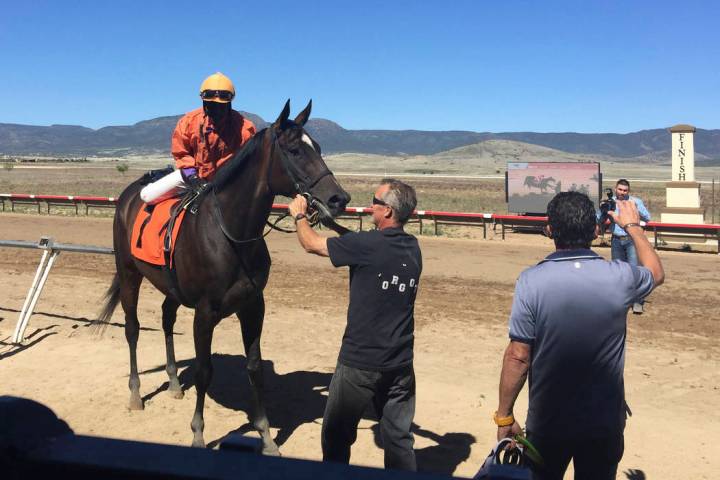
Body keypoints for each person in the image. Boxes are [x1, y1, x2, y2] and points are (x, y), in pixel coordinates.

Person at [494, 191, 664, 480]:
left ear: (549, 230)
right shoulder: (621, 277)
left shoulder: (531, 281)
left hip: (548, 420)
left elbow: (518, 356)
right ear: (596, 231)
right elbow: (655, 272)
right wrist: (633, 226)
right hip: (604, 420)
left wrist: (504, 416)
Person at [287, 179, 422, 471]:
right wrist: (333, 225)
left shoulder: (368, 246)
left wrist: (299, 215)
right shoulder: (412, 247)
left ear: (387, 211)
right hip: (400, 364)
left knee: (335, 436)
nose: (370, 205)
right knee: (399, 439)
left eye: (375, 201)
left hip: (360, 363)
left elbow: (311, 244)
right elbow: (362, 247)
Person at [139, 72, 256, 204]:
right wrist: (192, 176)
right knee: (146, 196)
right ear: (204, 101)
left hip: (228, 181)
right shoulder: (188, 122)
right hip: (192, 177)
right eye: (212, 104)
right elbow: (181, 152)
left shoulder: (245, 128)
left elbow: (249, 160)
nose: (217, 109)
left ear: (229, 103)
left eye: (221, 105)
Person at [607, 179, 651, 314]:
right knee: (618, 271)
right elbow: (599, 217)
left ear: (628, 191)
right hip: (616, 240)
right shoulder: (610, 203)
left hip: (632, 240)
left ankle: (637, 301)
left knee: (634, 271)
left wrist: (638, 222)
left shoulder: (635, 202)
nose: (622, 192)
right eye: (620, 189)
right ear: (615, 189)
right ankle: (621, 300)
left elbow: (647, 217)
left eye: (625, 190)